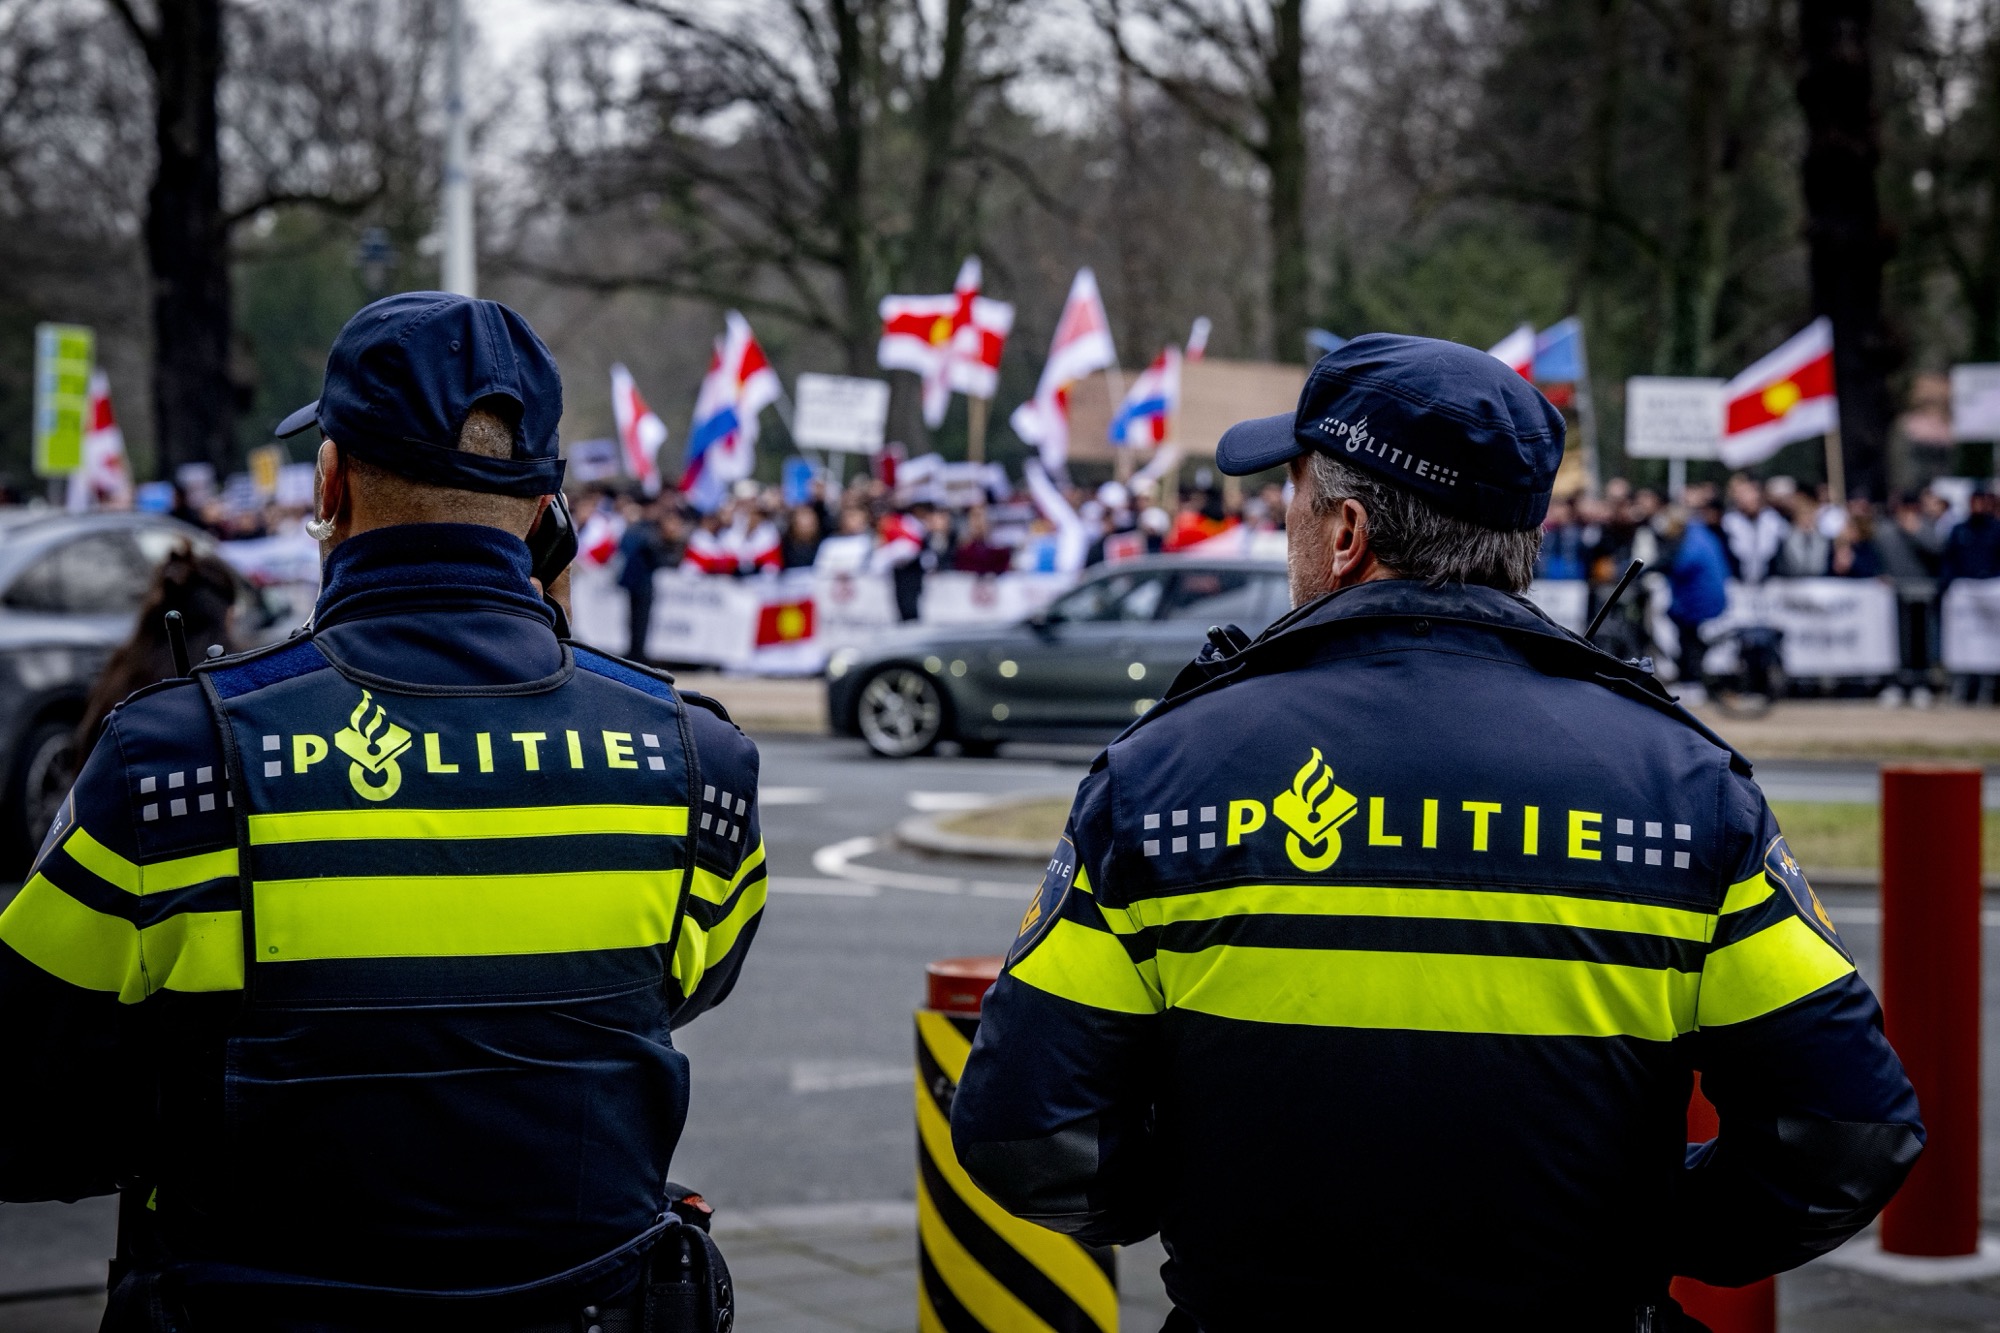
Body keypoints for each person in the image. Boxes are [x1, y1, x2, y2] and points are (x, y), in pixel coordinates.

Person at [949, 334, 1920, 1331]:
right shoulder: (1682, 786)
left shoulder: (1161, 774)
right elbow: (1846, 1131)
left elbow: (1027, 1134)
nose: (1283, 526)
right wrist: (1642, 1228)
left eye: (1291, 498)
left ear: (1346, 532)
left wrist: (1210, 1203)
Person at [0, 292, 765, 1332]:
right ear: (550, 512)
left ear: (330, 482)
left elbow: (27, 1115)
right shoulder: (698, 763)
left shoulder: (173, 761)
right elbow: (671, 991)